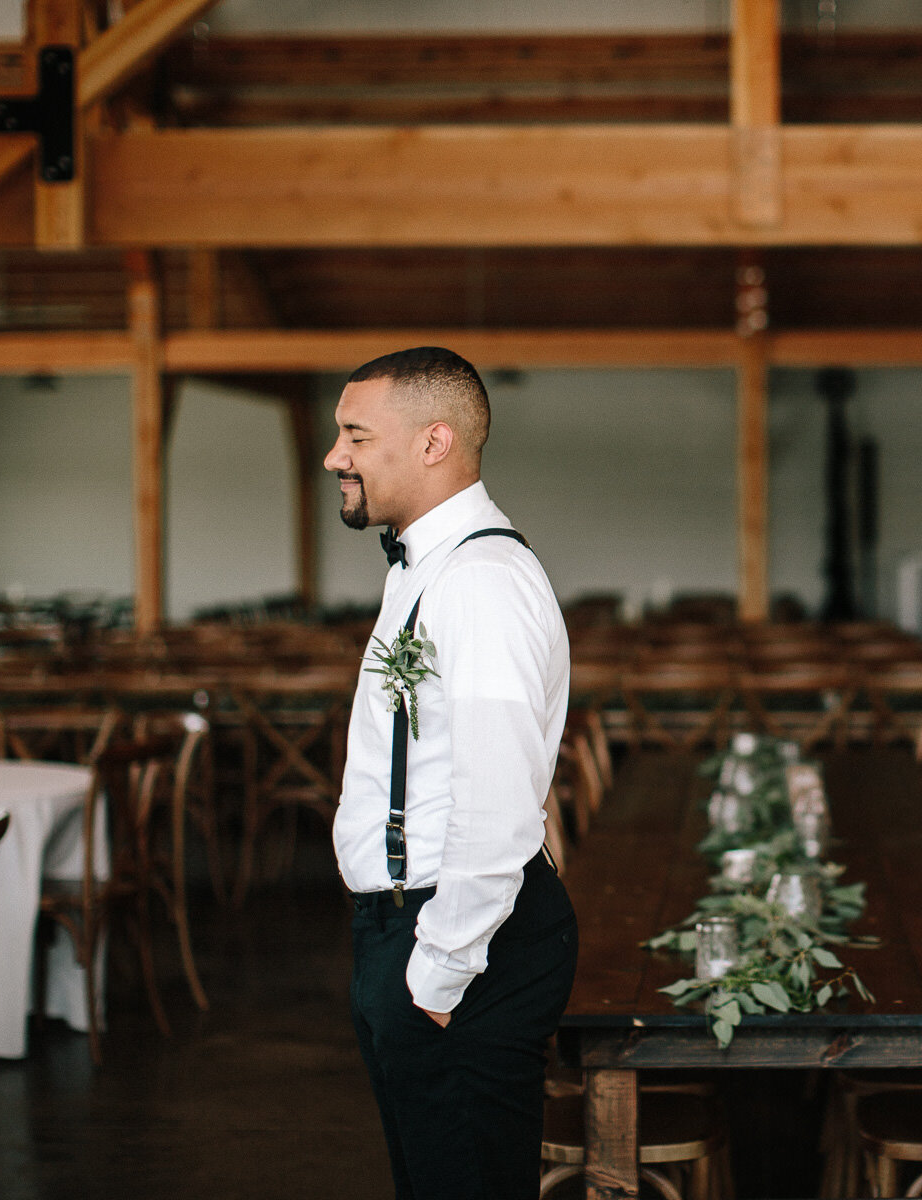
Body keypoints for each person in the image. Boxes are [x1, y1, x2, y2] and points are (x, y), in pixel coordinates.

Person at [326, 346, 577, 1199]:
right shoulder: (428, 566)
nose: (335, 457)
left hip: (459, 940)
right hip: (410, 929)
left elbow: (503, 800)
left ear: (433, 443)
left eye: (355, 435)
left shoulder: (481, 581)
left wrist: (436, 973)